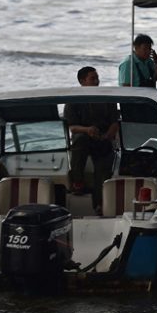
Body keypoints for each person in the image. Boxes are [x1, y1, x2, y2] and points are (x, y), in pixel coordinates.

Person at [63, 67, 119, 211]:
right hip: (84, 137)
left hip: (102, 139)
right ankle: (78, 182)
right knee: (79, 141)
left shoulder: (107, 98)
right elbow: (72, 127)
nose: (96, 81)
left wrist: (107, 135)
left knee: (102, 170)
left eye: (97, 78)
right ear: (82, 81)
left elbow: (114, 122)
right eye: (92, 79)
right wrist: (87, 130)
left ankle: (100, 204)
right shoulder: (73, 100)